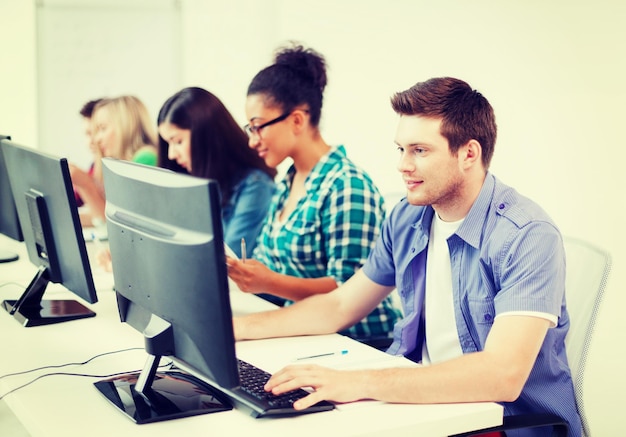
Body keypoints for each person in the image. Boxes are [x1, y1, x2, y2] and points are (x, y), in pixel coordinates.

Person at [232, 77, 582, 436]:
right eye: (400, 149)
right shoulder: (408, 217)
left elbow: (502, 375)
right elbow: (339, 306)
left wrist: (362, 383)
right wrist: (236, 330)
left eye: (419, 150)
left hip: (500, 423)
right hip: (423, 407)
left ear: (468, 154)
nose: (402, 165)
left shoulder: (526, 235)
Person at [226, 44, 402, 345]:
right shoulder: (287, 183)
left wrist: (270, 282)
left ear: (296, 120)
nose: (252, 141)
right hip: (304, 334)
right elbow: (271, 264)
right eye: (249, 129)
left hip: (357, 341)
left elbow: (346, 291)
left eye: (257, 128)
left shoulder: (347, 186)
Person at [156, 86, 276, 257]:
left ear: (205, 138)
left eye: (178, 142)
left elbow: (227, 262)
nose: (171, 154)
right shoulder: (196, 181)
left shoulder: (255, 187)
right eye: (168, 143)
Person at [70, 95, 158, 227]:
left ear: (124, 125)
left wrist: (85, 184)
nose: (97, 139)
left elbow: (119, 223)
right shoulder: (125, 163)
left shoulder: (146, 158)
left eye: (103, 129)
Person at [73, 98, 103, 207]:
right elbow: (76, 200)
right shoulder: (95, 166)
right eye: (87, 134)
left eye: (94, 133)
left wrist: (85, 183)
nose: (91, 141)